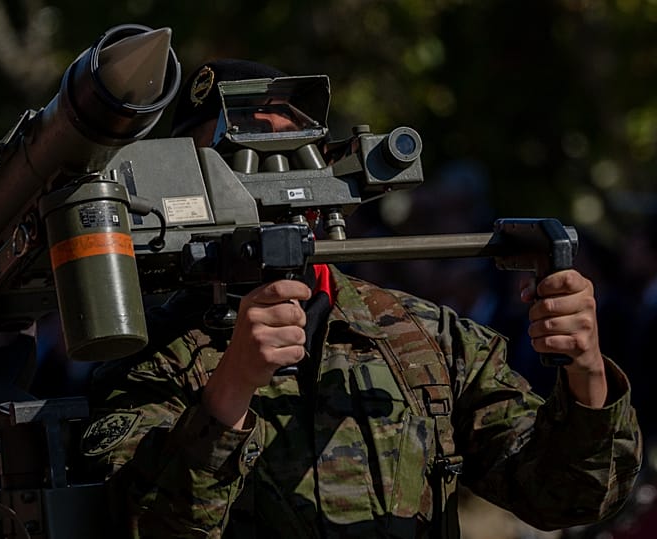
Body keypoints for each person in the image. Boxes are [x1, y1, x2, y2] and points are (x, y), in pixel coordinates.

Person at [81, 59, 642, 538]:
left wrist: (585, 374)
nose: (274, 178)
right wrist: (228, 393)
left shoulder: (425, 339)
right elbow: (142, 525)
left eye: (294, 147)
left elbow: (566, 497)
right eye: (239, 154)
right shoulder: (150, 357)